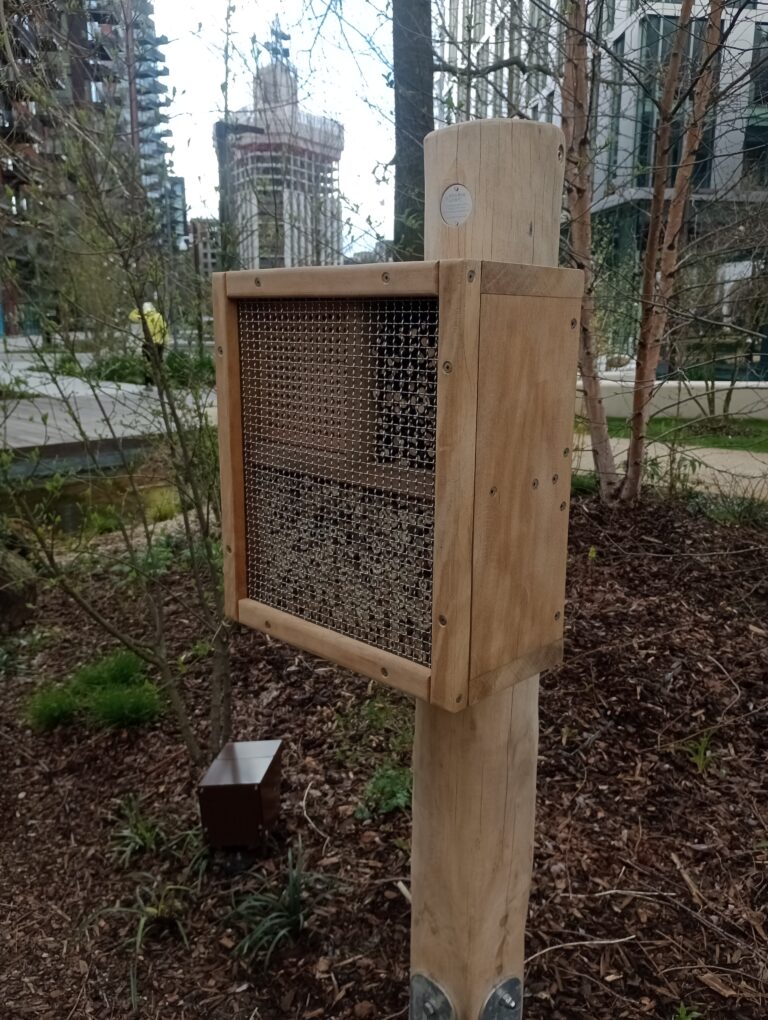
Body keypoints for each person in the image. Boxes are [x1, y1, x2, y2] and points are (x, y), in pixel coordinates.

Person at [129, 301, 168, 386]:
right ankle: (161, 381)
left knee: (147, 363)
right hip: (158, 343)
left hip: (147, 344)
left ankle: (148, 382)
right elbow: (164, 329)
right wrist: (166, 341)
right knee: (159, 363)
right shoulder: (158, 316)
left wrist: (137, 309)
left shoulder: (143, 317)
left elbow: (131, 316)